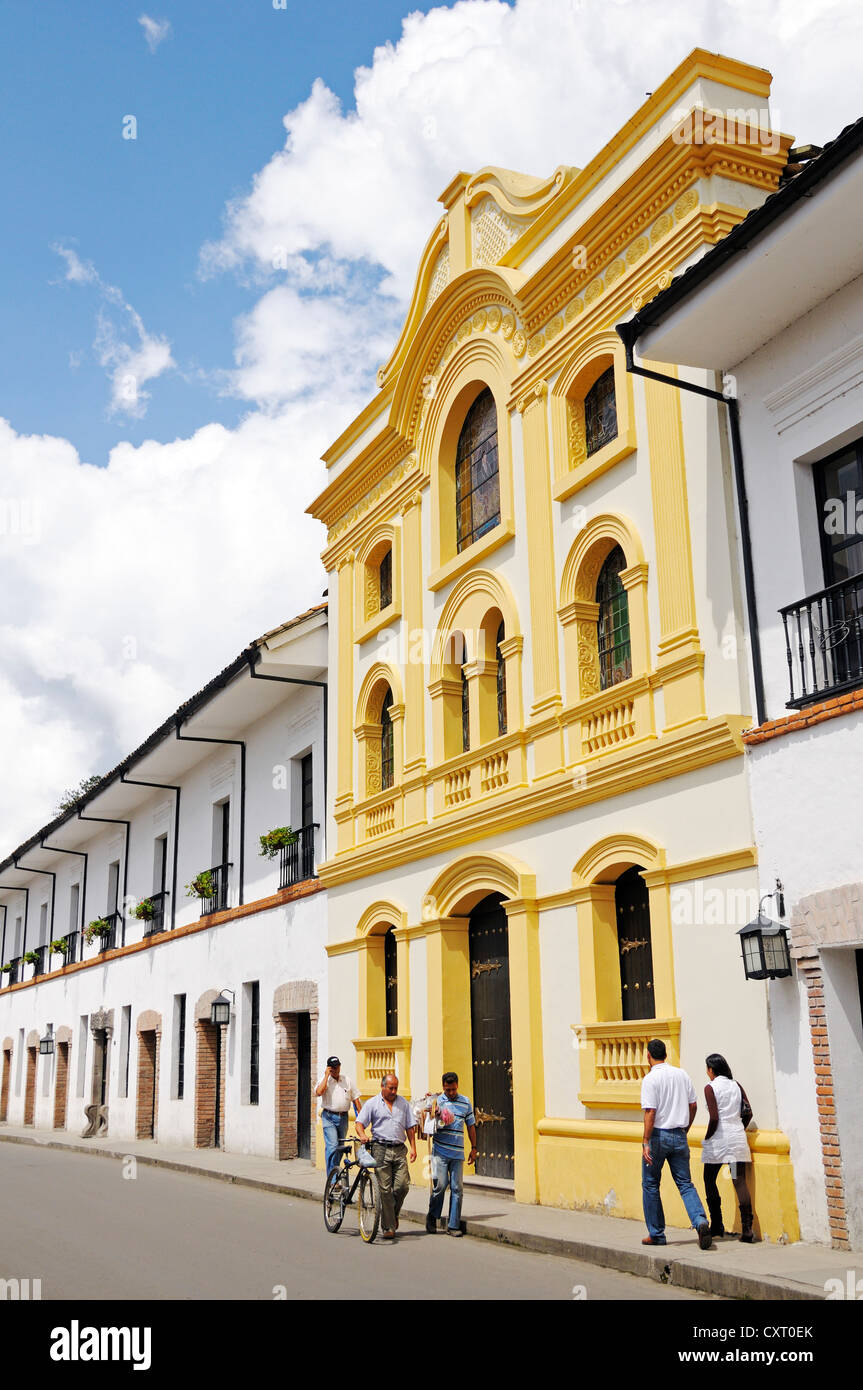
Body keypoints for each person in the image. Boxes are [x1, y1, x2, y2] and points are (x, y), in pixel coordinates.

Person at [641, 1038, 712, 1249]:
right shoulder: (681, 1074)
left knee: (651, 1184)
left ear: (648, 1056)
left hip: (657, 1137)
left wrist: (646, 1141)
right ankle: (700, 1220)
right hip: (679, 1135)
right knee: (685, 1183)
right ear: (666, 1054)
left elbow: (650, 1112)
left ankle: (656, 1234)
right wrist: (685, 1129)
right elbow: (693, 1105)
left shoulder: (650, 1079)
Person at [701, 1053, 756, 1243]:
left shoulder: (710, 1088)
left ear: (711, 1070)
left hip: (718, 1144)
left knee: (709, 1178)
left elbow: (714, 1117)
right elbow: (748, 1112)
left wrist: (708, 1136)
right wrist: (738, 1126)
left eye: (707, 1069)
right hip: (736, 1141)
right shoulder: (736, 1085)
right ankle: (747, 1229)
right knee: (738, 1179)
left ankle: (717, 1224)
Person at [355, 1073, 417, 1239]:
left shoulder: (403, 1103)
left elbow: (410, 1127)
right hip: (380, 1148)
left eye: (396, 1088)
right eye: (391, 1088)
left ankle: (392, 1214)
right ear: (382, 1087)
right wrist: (362, 1134)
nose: (394, 1091)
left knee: (402, 1186)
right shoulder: (372, 1104)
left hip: (399, 1149)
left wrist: (413, 1148)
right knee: (384, 1189)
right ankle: (388, 1226)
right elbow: (359, 1123)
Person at [425, 1072, 478, 1237]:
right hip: (439, 1151)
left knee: (457, 1188)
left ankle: (453, 1225)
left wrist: (474, 1148)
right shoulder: (438, 1101)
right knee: (440, 1186)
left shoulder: (465, 1102)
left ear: (457, 1086)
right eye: (448, 1090)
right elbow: (429, 1123)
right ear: (443, 1087)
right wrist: (434, 1112)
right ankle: (433, 1216)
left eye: (454, 1089)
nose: (451, 1093)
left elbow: (470, 1125)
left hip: (457, 1153)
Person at [315, 1055, 360, 1176]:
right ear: (329, 1068)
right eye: (333, 1068)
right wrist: (326, 1076)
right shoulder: (325, 1080)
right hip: (329, 1117)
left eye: (337, 1067)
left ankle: (335, 1171)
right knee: (332, 1146)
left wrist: (361, 1118)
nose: (336, 1069)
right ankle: (333, 1179)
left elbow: (356, 1099)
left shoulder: (347, 1080)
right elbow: (319, 1092)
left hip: (343, 1117)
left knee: (340, 1147)